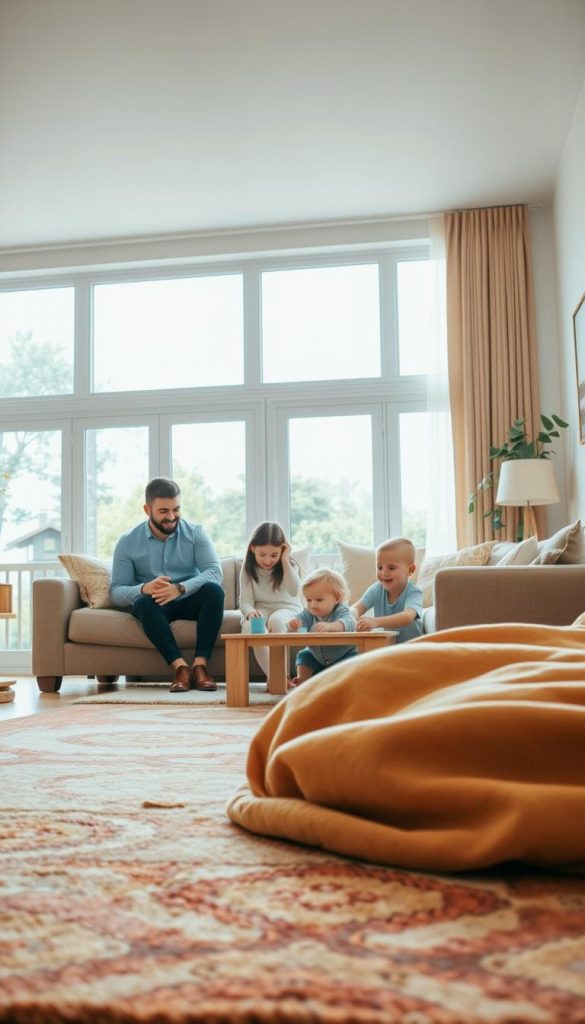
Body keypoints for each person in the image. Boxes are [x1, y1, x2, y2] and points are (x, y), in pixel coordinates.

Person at [110, 477, 224, 693]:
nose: (172, 517)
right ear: (147, 509)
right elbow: (115, 592)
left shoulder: (196, 533)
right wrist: (144, 588)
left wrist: (181, 588)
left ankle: (200, 666)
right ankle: (181, 668)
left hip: (190, 599)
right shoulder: (127, 542)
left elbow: (214, 572)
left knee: (214, 591)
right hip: (156, 605)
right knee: (143, 603)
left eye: (176, 509)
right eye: (163, 511)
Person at [239, 522, 304, 685]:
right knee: (250, 626)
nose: (268, 560)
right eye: (262, 555)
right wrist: (250, 612)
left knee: (276, 620)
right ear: (253, 548)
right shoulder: (247, 568)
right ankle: (275, 676)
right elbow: (245, 601)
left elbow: (295, 591)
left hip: (287, 608)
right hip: (261, 609)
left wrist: (284, 560)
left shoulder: (290, 565)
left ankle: (278, 676)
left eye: (274, 555)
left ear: (282, 550)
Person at [287, 568, 357, 686]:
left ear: (337, 598)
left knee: (354, 659)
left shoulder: (341, 610)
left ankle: (342, 682)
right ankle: (303, 679)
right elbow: (298, 620)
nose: (313, 605)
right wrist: (293, 625)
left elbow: (350, 623)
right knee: (304, 655)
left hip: (342, 656)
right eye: (309, 600)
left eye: (319, 600)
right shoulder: (309, 613)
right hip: (315, 657)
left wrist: (330, 626)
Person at [350, 536, 423, 642]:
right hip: (389, 649)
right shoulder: (376, 590)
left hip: (414, 651)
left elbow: (407, 617)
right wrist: (350, 617)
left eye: (391, 568)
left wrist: (375, 622)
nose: (383, 573)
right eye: (379, 567)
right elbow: (356, 608)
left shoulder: (414, 593)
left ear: (410, 570)